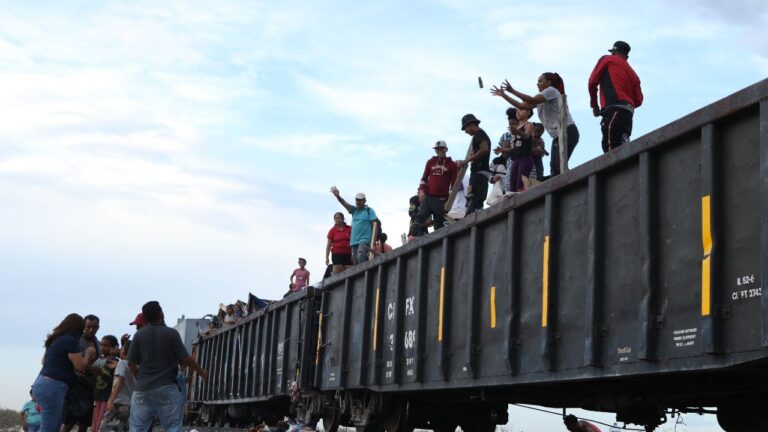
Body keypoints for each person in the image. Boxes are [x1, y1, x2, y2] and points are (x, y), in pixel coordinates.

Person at [128, 301, 208, 432]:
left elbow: (131, 363)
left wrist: (139, 377)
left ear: (146, 318)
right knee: (172, 427)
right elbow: (186, 358)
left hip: (142, 389)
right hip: (167, 387)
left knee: (138, 428)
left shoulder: (138, 336)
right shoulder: (171, 334)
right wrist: (201, 371)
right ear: (161, 313)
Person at [491, 73, 580, 176]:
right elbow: (521, 105)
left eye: (540, 81)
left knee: (558, 167)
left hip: (567, 131)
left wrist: (513, 91)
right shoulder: (541, 100)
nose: (537, 84)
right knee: (554, 170)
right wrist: (504, 95)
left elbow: (532, 100)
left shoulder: (551, 91)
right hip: (557, 136)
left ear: (549, 82)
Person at [31, 313, 95, 432]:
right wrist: (88, 353)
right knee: (49, 427)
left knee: (54, 426)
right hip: (54, 386)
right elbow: (80, 366)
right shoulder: (70, 340)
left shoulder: (55, 339)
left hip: (42, 383)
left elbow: (44, 361)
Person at [588, 40, 643, 152]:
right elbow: (638, 100)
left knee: (610, 149)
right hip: (628, 114)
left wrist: (595, 106)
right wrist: (626, 101)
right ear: (627, 56)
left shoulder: (607, 59)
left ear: (613, 51)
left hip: (614, 109)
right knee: (623, 147)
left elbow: (592, 82)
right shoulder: (634, 74)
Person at [62, 314, 101, 432]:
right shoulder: (76, 340)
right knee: (69, 422)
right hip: (75, 386)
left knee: (84, 423)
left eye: (94, 327)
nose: (91, 330)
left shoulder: (97, 343)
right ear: (83, 326)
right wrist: (88, 367)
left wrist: (96, 371)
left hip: (89, 387)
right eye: (88, 327)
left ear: (98, 327)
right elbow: (70, 362)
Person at [411, 140, 458, 236]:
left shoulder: (452, 165)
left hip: (441, 200)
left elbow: (454, 185)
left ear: (446, 149)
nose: (439, 151)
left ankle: (440, 244)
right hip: (428, 197)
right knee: (419, 217)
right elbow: (424, 178)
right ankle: (412, 237)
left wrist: (449, 201)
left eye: (441, 149)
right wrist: (421, 191)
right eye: (437, 149)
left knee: (439, 224)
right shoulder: (430, 162)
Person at [330, 187, 379, 264]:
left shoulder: (369, 210)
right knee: (355, 262)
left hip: (365, 240)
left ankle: (365, 274)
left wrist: (373, 242)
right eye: (356, 200)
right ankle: (362, 276)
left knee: (361, 256)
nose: (357, 202)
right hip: (354, 241)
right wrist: (337, 196)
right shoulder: (354, 210)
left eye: (360, 200)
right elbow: (344, 203)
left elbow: (375, 226)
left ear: (364, 201)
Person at [456, 114, 491, 214]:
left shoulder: (479, 134)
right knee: (474, 202)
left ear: (471, 124)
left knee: (474, 202)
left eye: (465, 128)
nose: (466, 131)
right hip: (479, 173)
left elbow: (484, 149)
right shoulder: (479, 135)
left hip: (479, 173)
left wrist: (466, 161)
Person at [495, 107, 534, 193]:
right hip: (515, 160)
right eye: (517, 111)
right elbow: (513, 149)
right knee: (512, 187)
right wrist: (502, 149)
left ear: (528, 112)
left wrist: (516, 131)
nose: (518, 113)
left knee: (520, 185)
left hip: (525, 158)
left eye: (520, 110)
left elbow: (527, 136)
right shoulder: (514, 132)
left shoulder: (529, 125)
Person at [102, 341, 135, 432]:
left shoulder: (122, 363)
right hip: (130, 404)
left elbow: (119, 382)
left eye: (122, 347)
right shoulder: (135, 366)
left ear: (125, 351)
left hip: (119, 402)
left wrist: (111, 401)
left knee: (108, 428)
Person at [91, 335, 119, 432]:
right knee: (94, 422)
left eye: (106, 345)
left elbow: (115, 380)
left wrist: (102, 374)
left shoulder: (114, 361)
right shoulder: (98, 360)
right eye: (101, 345)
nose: (103, 347)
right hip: (97, 395)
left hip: (106, 396)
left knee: (101, 422)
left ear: (113, 347)